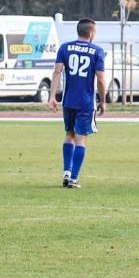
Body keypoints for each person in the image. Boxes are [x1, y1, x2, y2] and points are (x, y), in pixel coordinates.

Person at [48, 18, 107, 189]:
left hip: (68, 101)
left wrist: (52, 96)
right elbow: (101, 78)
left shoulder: (65, 47)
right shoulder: (97, 51)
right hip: (86, 102)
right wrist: (103, 100)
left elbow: (57, 71)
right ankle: (73, 178)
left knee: (69, 135)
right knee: (81, 139)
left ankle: (66, 172)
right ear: (91, 33)